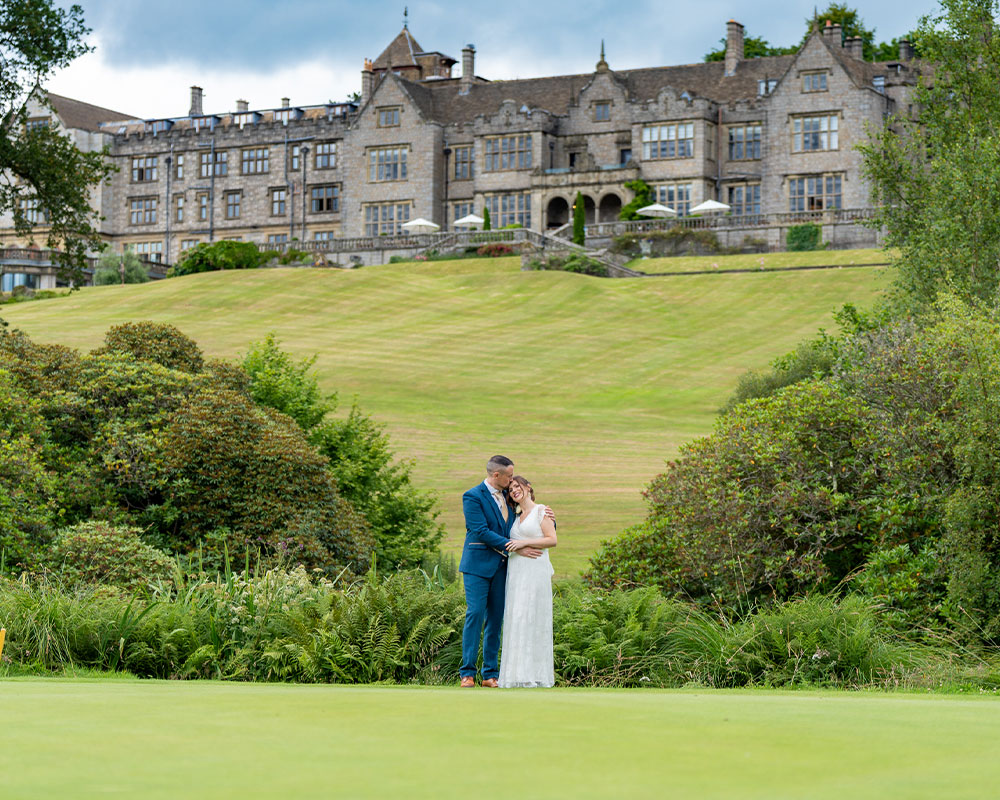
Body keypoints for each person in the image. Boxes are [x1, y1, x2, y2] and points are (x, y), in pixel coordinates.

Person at [459, 455, 544, 688]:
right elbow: (480, 531)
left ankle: (490, 674)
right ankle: (467, 673)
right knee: (475, 614)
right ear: (496, 475)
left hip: (504, 567)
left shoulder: (508, 499)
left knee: (496, 620)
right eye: (509, 475)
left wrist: (546, 516)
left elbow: (527, 517)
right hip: (477, 565)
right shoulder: (472, 496)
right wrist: (516, 548)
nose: (511, 479)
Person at [498, 475, 557, 688]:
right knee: (518, 618)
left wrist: (524, 542)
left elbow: (552, 539)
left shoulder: (542, 511)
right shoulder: (515, 517)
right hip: (517, 574)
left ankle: (536, 675)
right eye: (511, 488)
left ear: (528, 487)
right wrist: (519, 547)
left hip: (534, 572)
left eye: (517, 486)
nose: (514, 490)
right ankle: (515, 674)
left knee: (533, 617)